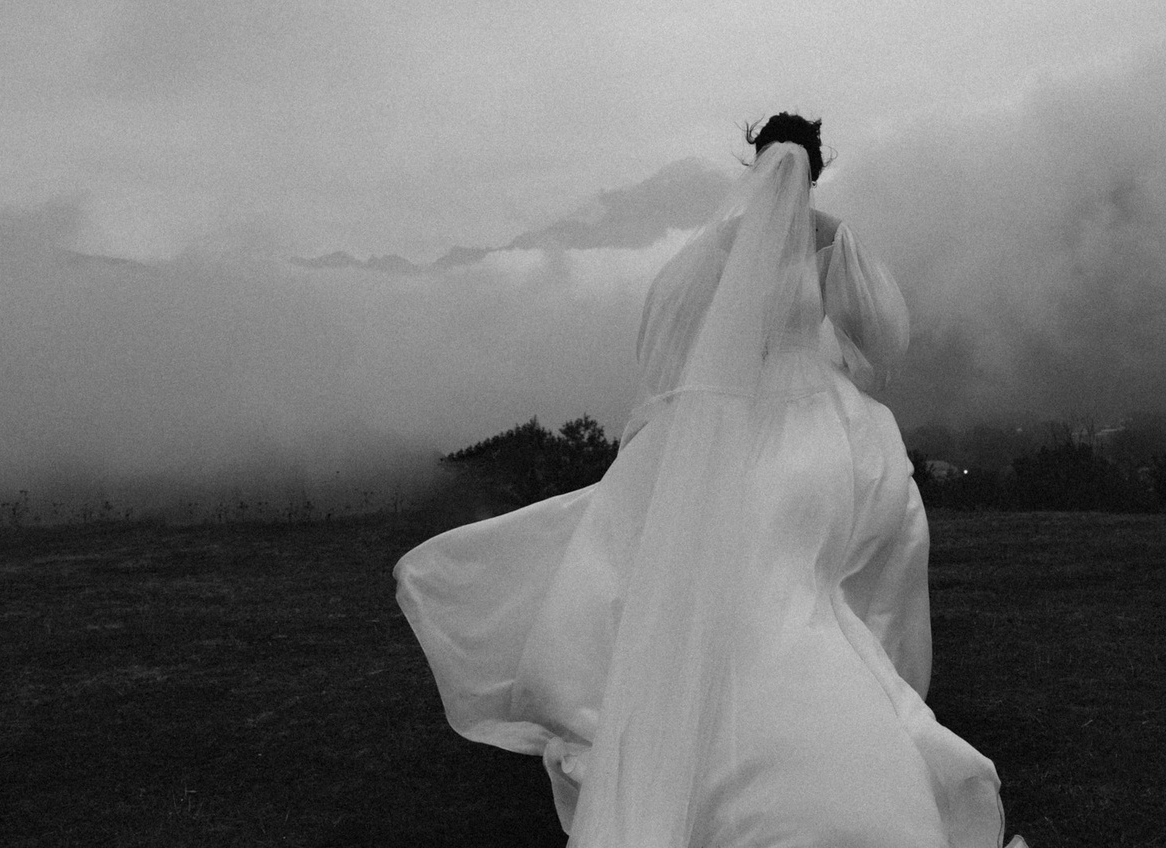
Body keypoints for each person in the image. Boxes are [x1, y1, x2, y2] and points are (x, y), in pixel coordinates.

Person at [394, 114, 1018, 847]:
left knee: (725, 558)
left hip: (734, 415)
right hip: (816, 421)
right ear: (816, 168)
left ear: (754, 163)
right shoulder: (830, 237)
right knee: (816, 566)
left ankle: (716, 696)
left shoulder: (721, 245)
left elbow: (669, 338)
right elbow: (880, 334)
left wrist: (695, 405)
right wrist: (831, 350)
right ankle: (827, 690)